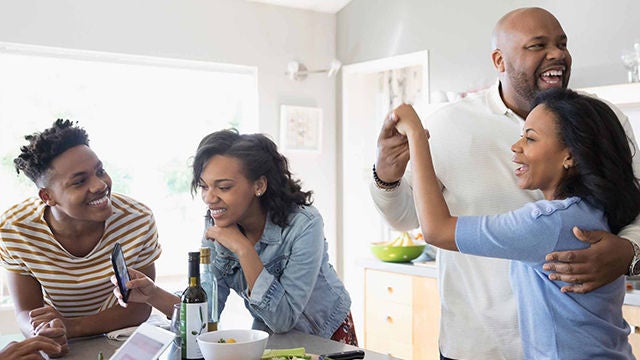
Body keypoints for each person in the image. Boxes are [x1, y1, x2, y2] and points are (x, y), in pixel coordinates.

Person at [370, 7, 640, 359]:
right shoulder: (450, 125)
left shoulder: (603, 121)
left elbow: (632, 200)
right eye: (537, 45)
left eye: (562, 43)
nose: (557, 53)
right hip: (476, 346)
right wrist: (386, 176)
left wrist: (629, 252)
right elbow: (408, 218)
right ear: (499, 60)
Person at [112, 129, 357, 345]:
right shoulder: (217, 226)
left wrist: (242, 248)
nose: (209, 198)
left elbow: (284, 318)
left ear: (259, 186)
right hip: (271, 334)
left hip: (324, 333)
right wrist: (153, 294)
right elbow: (206, 314)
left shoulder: (304, 224)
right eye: (204, 186)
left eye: (224, 187)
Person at [0, 119, 162, 357]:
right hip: (63, 346)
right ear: (47, 196)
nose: (100, 185)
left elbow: (139, 308)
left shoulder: (137, 219)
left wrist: (70, 326)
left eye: (100, 171)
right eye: (79, 181)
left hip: (124, 338)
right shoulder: (16, 230)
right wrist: (44, 331)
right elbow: (27, 312)